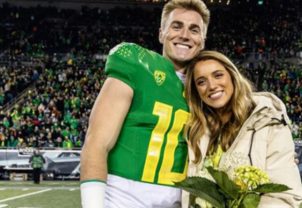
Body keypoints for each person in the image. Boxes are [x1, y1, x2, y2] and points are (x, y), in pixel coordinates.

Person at [80, 0, 210, 207]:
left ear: (202, 41)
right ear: (161, 34)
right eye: (176, 26)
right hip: (123, 199)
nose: (185, 35)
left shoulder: (207, 90)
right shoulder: (137, 64)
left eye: (194, 30)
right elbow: (97, 142)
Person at [183, 51, 302, 207]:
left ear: (232, 76)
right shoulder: (196, 131)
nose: (211, 86)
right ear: (196, 91)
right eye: (201, 82)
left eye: (218, 75)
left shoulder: (269, 120)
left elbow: (284, 195)